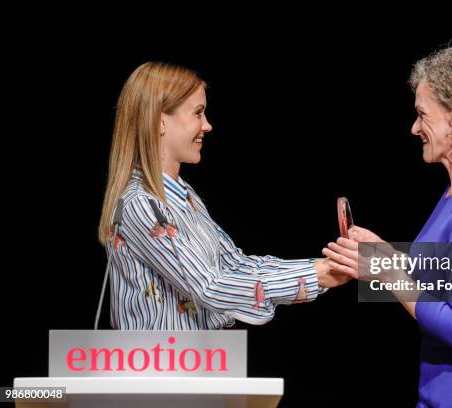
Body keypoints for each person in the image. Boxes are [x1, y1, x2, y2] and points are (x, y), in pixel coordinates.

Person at [323, 46, 452, 407]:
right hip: (449, 392)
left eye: (422, 115)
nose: (414, 128)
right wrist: (388, 256)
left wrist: (386, 272)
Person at [98, 61, 350, 330]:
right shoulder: (142, 204)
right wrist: (317, 276)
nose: (207, 126)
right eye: (198, 113)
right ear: (159, 121)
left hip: (192, 364)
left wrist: (322, 267)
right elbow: (210, 288)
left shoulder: (183, 197)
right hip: (158, 368)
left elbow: (235, 265)